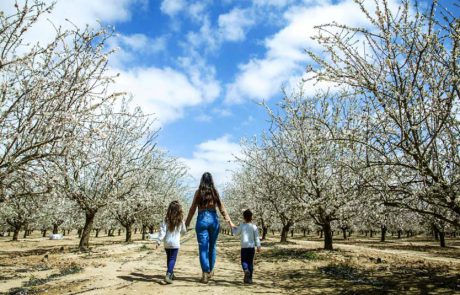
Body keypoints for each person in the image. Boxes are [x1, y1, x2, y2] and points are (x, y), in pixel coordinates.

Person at [185, 172, 235, 284]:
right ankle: (211, 270)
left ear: (202, 180)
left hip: (202, 219)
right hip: (213, 220)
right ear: (211, 180)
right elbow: (222, 208)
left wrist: (186, 223)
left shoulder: (198, 193)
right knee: (212, 246)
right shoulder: (214, 192)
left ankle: (205, 273)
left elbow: (192, 209)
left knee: (203, 248)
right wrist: (230, 222)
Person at [155, 200, 187, 284]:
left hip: (167, 243)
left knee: (169, 259)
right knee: (172, 259)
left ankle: (171, 274)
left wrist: (158, 241)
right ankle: (168, 275)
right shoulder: (180, 220)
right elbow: (184, 231)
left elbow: (162, 232)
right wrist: (181, 234)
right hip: (175, 243)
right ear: (179, 210)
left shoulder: (166, 220)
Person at [232, 209, 261, 284]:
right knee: (250, 263)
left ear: (244, 217)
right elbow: (257, 237)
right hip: (251, 247)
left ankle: (245, 270)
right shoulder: (254, 226)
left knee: (244, 261)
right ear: (251, 217)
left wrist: (233, 228)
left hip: (244, 247)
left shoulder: (242, 225)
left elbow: (236, 233)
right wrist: (258, 246)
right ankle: (250, 279)